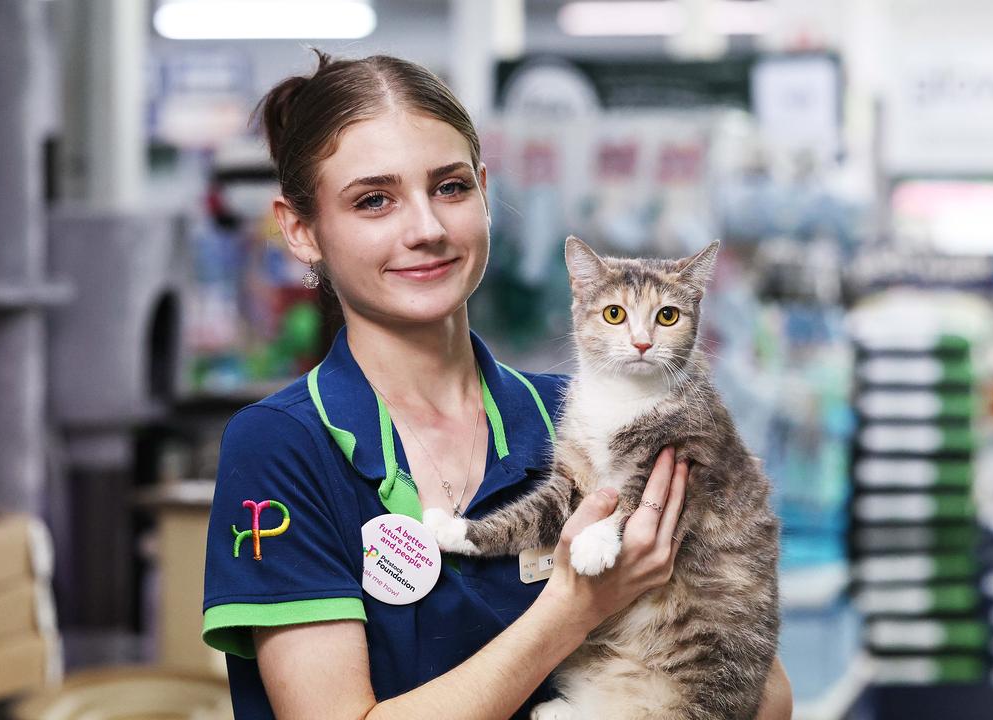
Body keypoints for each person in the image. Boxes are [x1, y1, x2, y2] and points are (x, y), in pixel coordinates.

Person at [201, 52, 792, 720]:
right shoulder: (282, 447)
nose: (426, 228)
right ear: (302, 231)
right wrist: (575, 609)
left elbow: (764, 698)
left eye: (450, 187)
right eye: (374, 200)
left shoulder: (576, 418)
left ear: (484, 193)